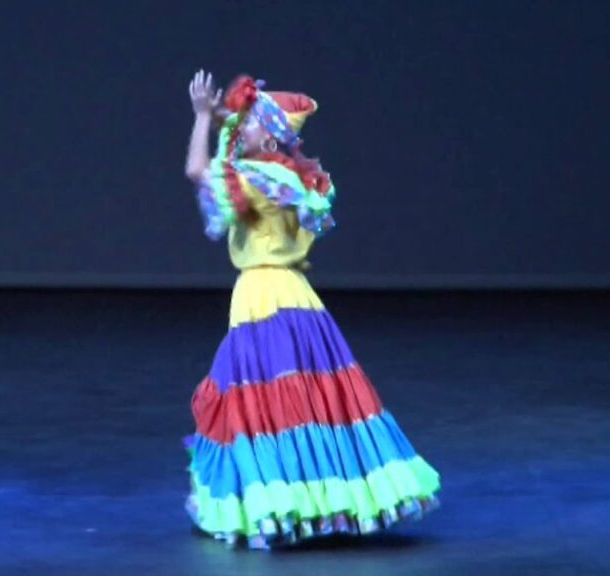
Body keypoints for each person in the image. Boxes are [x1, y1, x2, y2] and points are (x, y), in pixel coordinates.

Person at [182, 70, 441, 550]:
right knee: (306, 402)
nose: (240, 129)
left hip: (263, 298)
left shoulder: (260, 179)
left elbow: (199, 170)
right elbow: (239, 141)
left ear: (270, 135)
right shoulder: (288, 178)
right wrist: (227, 115)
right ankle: (314, 503)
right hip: (298, 298)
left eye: (251, 124)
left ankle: (281, 506)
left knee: (264, 405)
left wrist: (202, 117)